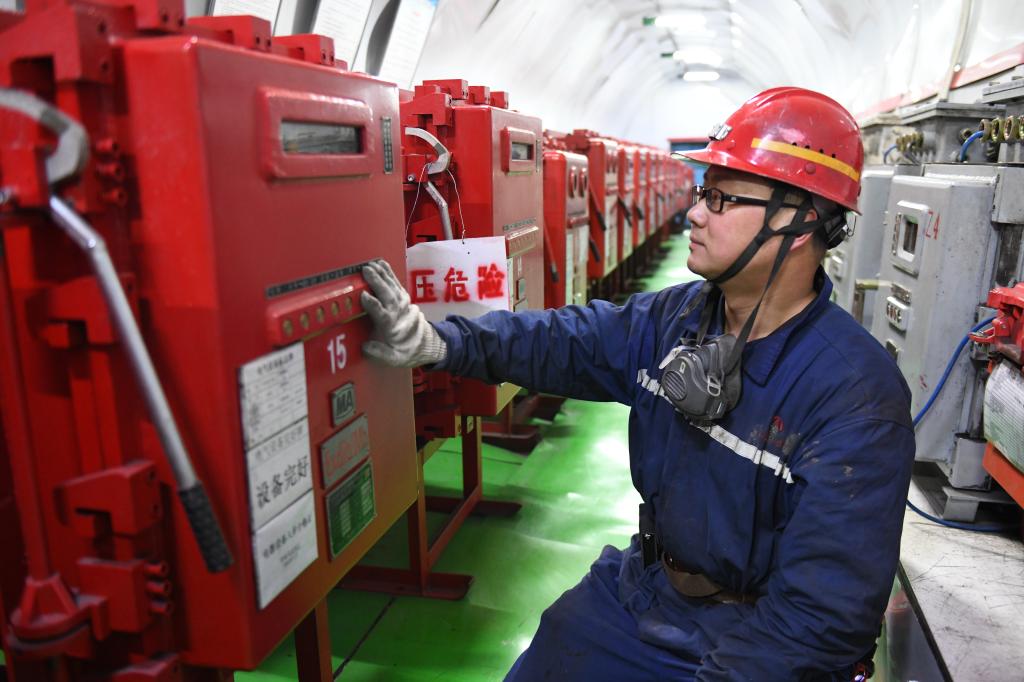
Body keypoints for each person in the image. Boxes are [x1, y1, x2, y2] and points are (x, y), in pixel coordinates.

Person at [359, 87, 916, 681]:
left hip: (752, 634)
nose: (695, 213)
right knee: (552, 650)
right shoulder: (678, 318)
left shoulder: (855, 396)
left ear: (796, 223)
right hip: (649, 586)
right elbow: (567, 340)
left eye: (721, 199)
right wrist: (442, 341)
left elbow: (819, 619)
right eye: (703, 193)